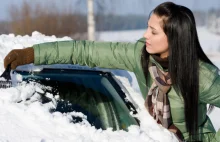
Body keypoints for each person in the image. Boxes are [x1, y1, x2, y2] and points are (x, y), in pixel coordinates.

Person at [3, 2, 220, 142]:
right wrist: (32, 54)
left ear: (174, 38)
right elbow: (86, 52)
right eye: (147, 27)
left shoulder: (203, 77)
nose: (145, 35)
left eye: (153, 31)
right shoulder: (140, 55)